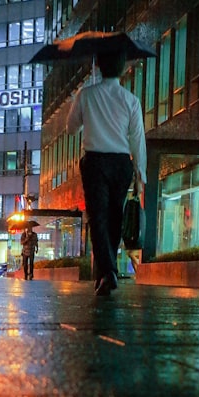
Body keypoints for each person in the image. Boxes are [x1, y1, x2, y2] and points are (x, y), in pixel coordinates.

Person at [67, 50, 147, 296]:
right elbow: (137, 140)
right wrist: (140, 174)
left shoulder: (86, 95)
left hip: (95, 162)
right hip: (121, 162)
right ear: (122, 69)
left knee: (98, 217)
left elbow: (71, 129)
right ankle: (106, 273)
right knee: (114, 218)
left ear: (99, 66)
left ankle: (108, 272)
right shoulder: (130, 100)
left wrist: (77, 102)